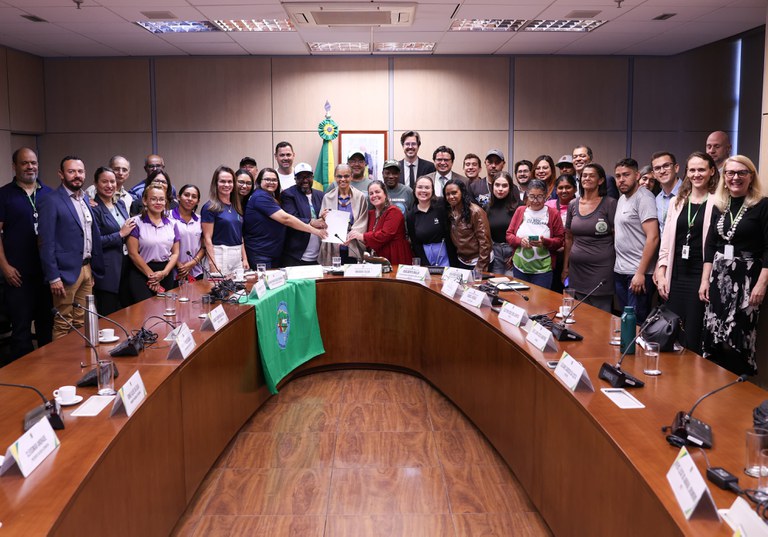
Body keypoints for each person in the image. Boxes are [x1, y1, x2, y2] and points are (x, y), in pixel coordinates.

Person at [699, 155, 768, 376]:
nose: (735, 177)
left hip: (747, 283)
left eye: (741, 173)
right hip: (719, 281)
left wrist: (761, 284)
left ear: (751, 176)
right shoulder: (720, 205)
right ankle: (715, 391)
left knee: (738, 340)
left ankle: (738, 394)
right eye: (730, 173)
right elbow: (711, 246)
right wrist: (705, 281)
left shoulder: (762, 205)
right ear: (724, 177)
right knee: (715, 339)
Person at [656, 152, 718, 352]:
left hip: (700, 276)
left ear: (711, 171)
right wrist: (661, 270)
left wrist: (706, 279)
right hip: (676, 274)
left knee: (692, 335)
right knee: (672, 332)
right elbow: (666, 240)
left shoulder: (717, 203)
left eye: (701, 169)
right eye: (692, 170)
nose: (696, 174)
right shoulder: (678, 202)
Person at [38, 156, 104, 339]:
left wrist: (92, 270)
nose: (77, 175)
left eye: (80, 171)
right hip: (64, 273)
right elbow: (45, 242)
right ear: (61, 174)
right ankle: (61, 366)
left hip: (86, 269)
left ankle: (79, 364)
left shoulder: (84, 198)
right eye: (71, 171)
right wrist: (53, 277)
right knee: (63, 323)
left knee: (83, 322)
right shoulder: (51, 201)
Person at [0, 147, 53, 362]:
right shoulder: (4, 194)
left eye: (33, 162)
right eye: (24, 163)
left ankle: (50, 375)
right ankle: (22, 382)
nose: (30, 167)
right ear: (15, 166)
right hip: (17, 275)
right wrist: (4, 267)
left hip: (46, 274)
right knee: (21, 331)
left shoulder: (50, 194)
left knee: (46, 329)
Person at [243, 168, 327, 268]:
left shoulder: (271, 197)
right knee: (265, 283)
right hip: (261, 253)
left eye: (274, 180)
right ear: (259, 181)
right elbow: (286, 219)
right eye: (267, 179)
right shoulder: (260, 197)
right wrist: (315, 231)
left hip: (272, 251)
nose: (271, 182)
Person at [562, 164, 617, 313]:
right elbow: (568, 238)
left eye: (591, 175)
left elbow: (616, 237)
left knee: (600, 314)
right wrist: (565, 268)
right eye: (584, 175)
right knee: (578, 314)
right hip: (576, 270)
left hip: (601, 269)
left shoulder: (610, 203)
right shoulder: (573, 204)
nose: (586, 178)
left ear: (600, 180)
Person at [613, 158, 659, 323]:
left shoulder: (644, 197)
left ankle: (636, 350)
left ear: (637, 175)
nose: (621, 180)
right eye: (618, 176)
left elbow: (653, 237)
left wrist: (640, 273)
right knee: (625, 321)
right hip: (621, 270)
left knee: (636, 323)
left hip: (638, 272)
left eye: (626, 175)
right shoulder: (622, 198)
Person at [505, 179, 565, 288]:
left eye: (540, 196)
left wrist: (545, 242)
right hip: (520, 267)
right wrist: (520, 241)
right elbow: (509, 235)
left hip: (543, 270)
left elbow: (560, 240)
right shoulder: (520, 211)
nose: (535, 201)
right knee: (520, 301)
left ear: (546, 196)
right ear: (527, 195)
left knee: (539, 303)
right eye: (532, 196)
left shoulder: (553, 214)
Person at [91, 166, 134, 315]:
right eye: (104, 182)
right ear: (96, 184)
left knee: (126, 313)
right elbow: (94, 242)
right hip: (108, 270)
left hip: (126, 264)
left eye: (112, 181)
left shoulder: (120, 204)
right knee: (108, 315)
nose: (109, 186)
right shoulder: (93, 208)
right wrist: (120, 234)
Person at [126, 184, 179, 302]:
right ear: (145, 201)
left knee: (165, 311)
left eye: (161, 199)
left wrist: (164, 273)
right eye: (153, 199)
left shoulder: (172, 224)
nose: (158, 202)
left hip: (165, 272)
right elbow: (133, 253)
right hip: (141, 271)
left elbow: (175, 253)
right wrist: (152, 276)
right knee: (145, 311)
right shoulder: (135, 222)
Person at [348, 181, 412, 265]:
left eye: (377, 192)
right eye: (371, 193)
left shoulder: (394, 211)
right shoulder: (370, 214)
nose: (374, 195)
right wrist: (352, 238)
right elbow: (366, 236)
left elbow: (385, 235)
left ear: (385, 194)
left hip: (395, 256)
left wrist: (361, 236)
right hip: (377, 259)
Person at [201, 165, 247, 275]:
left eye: (230, 182)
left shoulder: (236, 206)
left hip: (237, 256)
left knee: (240, 291)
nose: (227, 185)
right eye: (222, 181)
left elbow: (240, 236)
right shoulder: (210, 207)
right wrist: (213, 264)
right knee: (220, 291)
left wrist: (244, 258)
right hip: (219, 255)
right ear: (216, 184)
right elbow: (207, 238)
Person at [319, 164, 368, 265]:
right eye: (339, 176)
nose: (343, 179)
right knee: (334, 278)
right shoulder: (327, 197)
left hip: (353, 245)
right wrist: (323, 218)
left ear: (351, 176)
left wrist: (350, 236)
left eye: (346, 176)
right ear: (335, 177)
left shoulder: (360, 197)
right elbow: (322, 224)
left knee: (352, 279)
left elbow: (363, 221)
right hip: (333, 247)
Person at [280, 163, 327, 266]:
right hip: (295, 255)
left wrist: (325, 217)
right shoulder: (288, 194)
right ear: (295, 179)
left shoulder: (321, 195)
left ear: (313, 178)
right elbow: (291, 218)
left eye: (308, 176)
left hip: (318, 254)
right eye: (301, 177)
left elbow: (325, 218)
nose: (305, 180)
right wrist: (312, 222)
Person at [444, 178, 491, 272]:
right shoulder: (450, 211)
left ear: (462, 192)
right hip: (462, 261)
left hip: (478, 261)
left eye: (454, 193)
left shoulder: (475, 211)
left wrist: (480, 267)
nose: (451, 197)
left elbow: (485, 242)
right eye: (448, 194)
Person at [406, 176, 452, 267]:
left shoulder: (441, 205)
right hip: (425, 256)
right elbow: (415, 243)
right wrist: (425, 263)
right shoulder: (411, 215)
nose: (423, 190)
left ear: (432, 190)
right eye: (420, 187)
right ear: (414, 190)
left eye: (427, 188)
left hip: (445, 253)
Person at [546, 174, 577, 291]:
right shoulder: (549, 205)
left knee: (567, 290)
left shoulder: (580, 205)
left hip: (573, 256)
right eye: (560, 188)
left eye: (568, 187)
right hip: (552, 254)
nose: (564, 191)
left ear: (575, 189)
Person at [486, 173, 520, 276]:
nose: (500, 189)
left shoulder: (519, 207)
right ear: (492, 187)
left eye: (504, 185)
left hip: (513, 251)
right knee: (496, 284)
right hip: (495, 251)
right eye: (497, 185)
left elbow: (524, 232)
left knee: (512, 286)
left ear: (510, 188)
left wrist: (515, 254)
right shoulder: (487, 207)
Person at [171, 184, 204, 281]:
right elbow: (164, 245)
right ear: (178, 197)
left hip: (195, 271)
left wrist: (192, 263)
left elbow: (204, 247)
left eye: (194, 197)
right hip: (172, 271)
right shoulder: (167, 217)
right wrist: (179, 265)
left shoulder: (200, 220)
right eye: (186, 195)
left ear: (198, 201)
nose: (190, 199)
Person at [651, 151, 682, 235]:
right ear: (653, 174)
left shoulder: (689, 193)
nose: (662, 171)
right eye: (657, 168)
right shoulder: (657, 199)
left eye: (666, 166)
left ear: (676, 168)